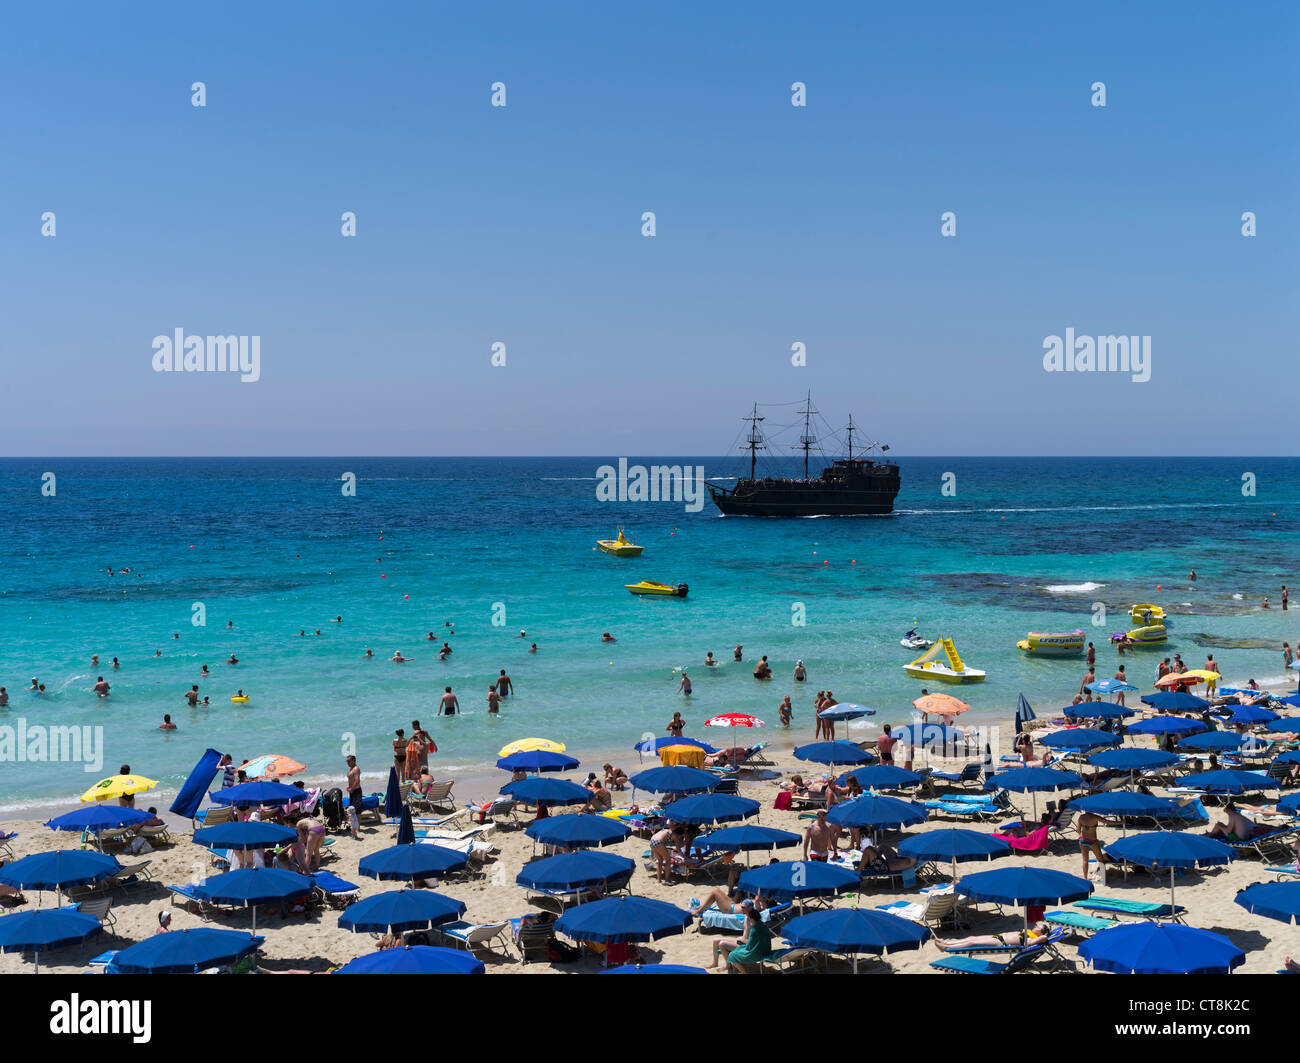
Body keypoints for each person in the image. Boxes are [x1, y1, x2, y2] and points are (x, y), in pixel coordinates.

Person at [710, 907, 773, 972]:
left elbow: (749, 946)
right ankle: (727, 965)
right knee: (726, 946)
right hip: (765, 951)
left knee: (732, 955)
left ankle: (743, 972)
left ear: (752, 919)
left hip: (756, 953)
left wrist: (742, 942)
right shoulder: (763, 926)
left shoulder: (754, 929)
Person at [938, 922, 1051, 952]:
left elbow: (1043, 939)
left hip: (1001, 942)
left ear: (1040, 932)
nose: (1035, 926)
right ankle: (947, 944)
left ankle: (947, 947)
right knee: (972, 937)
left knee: (972, 942)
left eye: (1038, 927)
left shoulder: (1032, 939)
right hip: (998, 936)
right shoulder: (1030, 932)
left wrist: (1045, 936)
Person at [1205, 801, 1273, 842]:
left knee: (1218, 825)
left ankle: (1209, 836)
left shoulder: (1232, 815)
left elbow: (1228, 831)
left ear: (1229, 810)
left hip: (1239, 839)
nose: (1226, 813)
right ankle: (1211, 834)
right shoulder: (1238, 814)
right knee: (1220, 825)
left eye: (1226, 811)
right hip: (1246, 836)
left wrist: (1221, 827)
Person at [1077, 809, 1109, 878]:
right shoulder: (1095, 817)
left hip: (1082, 840)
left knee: (1085, 860)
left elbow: (1078, 830)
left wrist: (1081, 835)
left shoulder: (1081, 817)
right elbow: (1107, 822)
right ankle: (1103, 878)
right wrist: (1120, 822)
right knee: (1100, 859)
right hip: (1092, 841)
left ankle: (1085, 878)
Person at [345, 755, 363, 824]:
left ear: (354, 761)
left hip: (356, 791)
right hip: (352, 791)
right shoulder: (351, 769)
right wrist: (349, 788)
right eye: (347, 761)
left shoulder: (356, 769)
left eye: (349, 761)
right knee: (352, 809)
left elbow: (357, 781)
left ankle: (358, 827)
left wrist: (352, 789)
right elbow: (351, 780)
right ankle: (354, 825)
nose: (347, 762)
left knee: (357, 810)